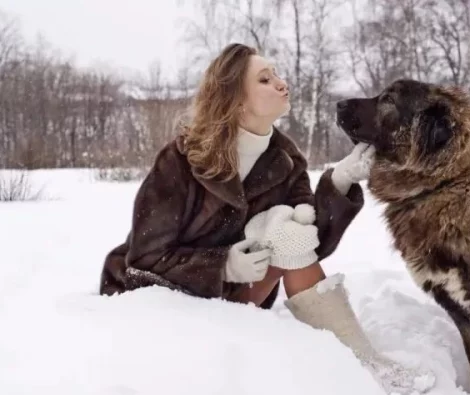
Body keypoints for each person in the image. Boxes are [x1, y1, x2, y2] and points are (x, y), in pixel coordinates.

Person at [98, 43, 434, 394]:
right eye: (264, 79)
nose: (280, 82)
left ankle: (366, 366)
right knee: (280, 233)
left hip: (232, 295)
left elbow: (308, 244)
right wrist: (222, 266)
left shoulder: (286, 160)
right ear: (237, 100)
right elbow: (145, 257)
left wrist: (341, 180)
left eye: (276, 74)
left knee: (289, 233)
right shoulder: (181, 159)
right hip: (160, 296)